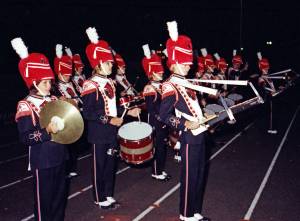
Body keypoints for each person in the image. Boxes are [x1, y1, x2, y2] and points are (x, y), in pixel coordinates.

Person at [82, 27, 140, 209]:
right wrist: (109, 120)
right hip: (99, 132)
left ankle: (107, 193)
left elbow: (115, 106)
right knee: (99, 166)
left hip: (111, 131)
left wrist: (128, 111)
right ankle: (99, 197)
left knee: (109, 164)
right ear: (98, 63)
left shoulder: (111, 82)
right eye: (108, 63)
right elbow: (88, 112)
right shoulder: (90, 84)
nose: (111, 66)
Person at [12, 37, 68, 221]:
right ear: (34, 83)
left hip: (60, 155)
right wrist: (47, 131)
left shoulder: (53, 101)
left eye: (50, 82)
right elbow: (25, 138)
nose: (49, 86)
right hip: (42, 160)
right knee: (44, 202)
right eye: (45, 82)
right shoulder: (25, 105)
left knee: (59, 199)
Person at [159, 21, 210, 221]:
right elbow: (164, 115)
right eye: (185, 61)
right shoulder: (170, 85)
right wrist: (185, 125)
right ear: (174, 63)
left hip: (200, 134)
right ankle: (186, 214)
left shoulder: (188, 82)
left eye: (189, 61)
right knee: (189, 176)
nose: (190, 64)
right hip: (188, 136)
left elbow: (194, 107)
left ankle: (195, 211)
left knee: (200, 173)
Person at [142, 44, 171, 181]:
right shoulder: (149, 88)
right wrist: (160, 118)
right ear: (152, 73)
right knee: (157, 147)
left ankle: (160, 169)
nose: (161, 73)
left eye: (161, 72)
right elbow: (150, 108)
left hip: (163, 120)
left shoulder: (161, 85)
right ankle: (155, 171)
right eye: (158, 72)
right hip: (155, 120)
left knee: (162, 146)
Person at [53, 44, 82, 178]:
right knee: (65, 146)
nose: (69, 77)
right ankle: (65, 169)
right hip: (63, 118)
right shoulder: (55, 87)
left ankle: (73, 167)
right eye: (66, 74)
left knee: (74, 146)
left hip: (76, 114)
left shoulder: (71, 83)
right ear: (59, 74)